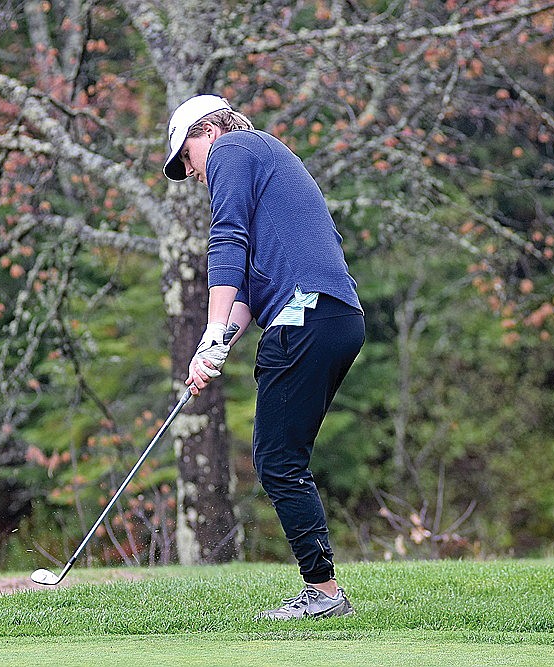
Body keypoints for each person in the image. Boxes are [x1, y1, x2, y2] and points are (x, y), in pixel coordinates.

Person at [163, 95, 365, 620]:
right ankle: (324, 592)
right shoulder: (263, 164)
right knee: (281, 457)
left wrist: (208, 330)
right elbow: (248, 295)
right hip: (336, 318)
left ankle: (324, 595)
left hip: (307, 313)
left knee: (276, 459)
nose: (194, 174)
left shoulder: (232, 149)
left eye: (188, 159)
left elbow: (225, 241)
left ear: (206, 131)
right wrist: (218, 344)